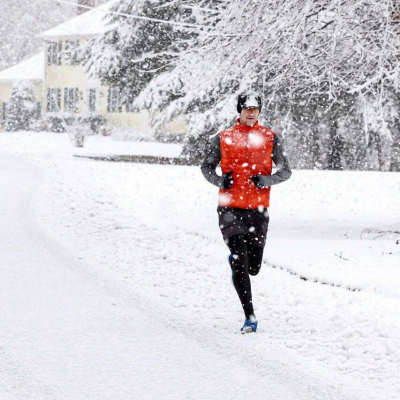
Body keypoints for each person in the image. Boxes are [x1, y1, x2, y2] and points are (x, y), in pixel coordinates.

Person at [201, 91, 292, 334]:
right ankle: (249, 316)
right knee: (240, 261)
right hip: (229, 208)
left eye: (255, 108)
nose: (251, 112)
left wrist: (266, 179)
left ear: (259, 111)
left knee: (253, 267)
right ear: (239, 110)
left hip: (258, 210)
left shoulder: (270, 137)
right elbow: (206, 167)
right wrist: (220, 181)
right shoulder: (224, 137)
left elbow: (286, 171)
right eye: (247, 108)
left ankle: (240, 264)